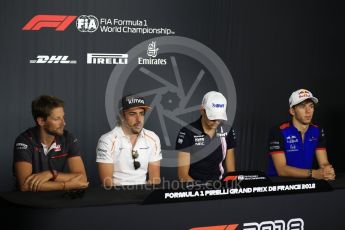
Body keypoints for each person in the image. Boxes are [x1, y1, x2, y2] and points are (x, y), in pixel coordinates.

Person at [13, 95, 89, 192]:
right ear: (41, 121)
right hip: (28, 202)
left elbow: (82, 179)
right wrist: (65, 185)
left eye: (63, 117)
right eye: (57, 119)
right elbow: (25, 185)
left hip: (57, 201)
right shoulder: (24, 141)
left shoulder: (68, 138)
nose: (63, 123)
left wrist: (52, 174)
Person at [267, 89, 335, 180]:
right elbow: (281, 169)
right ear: (292, 111)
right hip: (279, 185)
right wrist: (313, 173)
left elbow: (323, 163)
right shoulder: (278, 131)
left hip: (306, 183)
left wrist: (327, 170)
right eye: (302, 107)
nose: (308, 111)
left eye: (311, 106)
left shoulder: (317, 130)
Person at [96, 94, 162, 186]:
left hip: (143, 195)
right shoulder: (107, 140)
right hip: (115, 197)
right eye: (132, 114)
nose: (139, 119)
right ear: (122, 116)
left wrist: (144, 197)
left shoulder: (153, 138)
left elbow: (155, 179)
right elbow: (107, 183)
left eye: (141, 114)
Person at [176, 91, 237, 182]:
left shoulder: (227, 131)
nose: (217, 122)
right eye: (212, 118)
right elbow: (183, 175)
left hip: (219, 186)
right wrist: (202, 191)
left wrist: (228, 188)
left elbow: (232, 172)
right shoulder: (187, 132)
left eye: (220, 118)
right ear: (202, 110)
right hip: (192, 188)